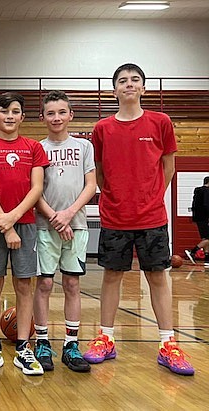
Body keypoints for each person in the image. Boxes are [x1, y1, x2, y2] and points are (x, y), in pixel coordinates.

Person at [84, 63, 194, 376]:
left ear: (144, 88)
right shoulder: (102, 128)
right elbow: (102, 173)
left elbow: (169, 167)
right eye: (122, 81)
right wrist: (118, 198)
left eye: (135, 80)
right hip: (115, 216)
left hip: (151, 217)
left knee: (158, 277)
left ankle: (167, 343)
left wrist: (150, 197)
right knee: (111, 276)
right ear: (114, 90)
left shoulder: (161, 122)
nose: (129, 84)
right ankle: (106, 337)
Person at [0, 92, 48, 375]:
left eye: (15, 111)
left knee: (25, 286)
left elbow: (36, 189)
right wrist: (6, 226)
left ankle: (23, 349)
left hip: (23, 225)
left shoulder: (34, 147)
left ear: (22, 117)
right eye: (4, 111)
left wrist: (13, 220)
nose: (10, 116)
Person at [32, 90, 96, 373]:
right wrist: (55, 217)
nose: (56, 117)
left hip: (78, 225)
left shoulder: (84, 147)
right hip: (45, 226)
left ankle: (71, 344)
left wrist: (68, 215)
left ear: (71, 115)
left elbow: (90, 186)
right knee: (44, 284)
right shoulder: (37, 148)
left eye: (61, 112)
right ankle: (42, 341)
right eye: (50, 113)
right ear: (42, 117)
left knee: (72, 284)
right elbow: (34, 190)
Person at [185, 176, 209, 267]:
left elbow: (194, 205)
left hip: (198, 218)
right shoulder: (206, 191)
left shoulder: (198, 191)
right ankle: (192, 251)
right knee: (208, 239)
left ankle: (207, 260)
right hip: (205, 218)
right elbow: (207, 205)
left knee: (205, 238)